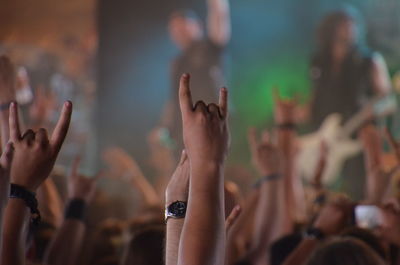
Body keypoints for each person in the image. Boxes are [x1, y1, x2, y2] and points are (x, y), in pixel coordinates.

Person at [161, 0, 231, 144]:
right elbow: (173, 100)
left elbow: (220, 15)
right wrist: (164, 127)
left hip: (211, 128)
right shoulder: (176, 63)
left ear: (197, 25)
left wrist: (216, 4)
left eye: (183, 25)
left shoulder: (210, 48)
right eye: (174, 29)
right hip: (185, 134)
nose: (178, 31)